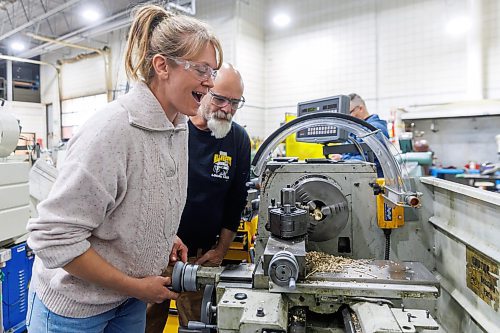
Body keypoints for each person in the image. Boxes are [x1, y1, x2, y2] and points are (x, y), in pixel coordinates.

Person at [25, 5, 222, 333]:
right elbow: (52, 238)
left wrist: (160, 236)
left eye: (213, 71)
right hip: (73, 310)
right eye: (201, 68)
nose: (210, 82)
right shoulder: (114, 130)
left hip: (125, 301)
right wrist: (135, 287)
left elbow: (133, 201)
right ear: (162, 66)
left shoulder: (178, 126)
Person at [176, 63, 250, 328]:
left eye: (235, 102)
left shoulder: (238, 139)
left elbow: (235, 200)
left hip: (202, 255)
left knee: (197, 322)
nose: (227, 109)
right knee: (146, 319)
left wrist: (221, 249)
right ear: (203, 91)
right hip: (160, 251)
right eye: (220, 99)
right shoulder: (176, 131)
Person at [333, 93, 389, 176]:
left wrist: (342, 159)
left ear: (360, 108)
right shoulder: (355, 129)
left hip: (373, 179)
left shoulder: (374, 128)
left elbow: (369, 159)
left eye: (349, 113)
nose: (348, 118)